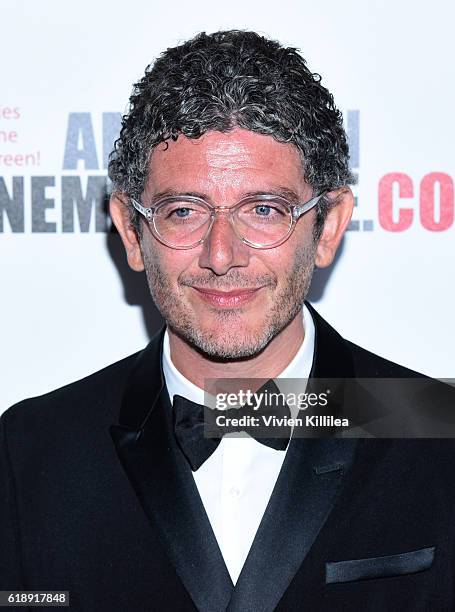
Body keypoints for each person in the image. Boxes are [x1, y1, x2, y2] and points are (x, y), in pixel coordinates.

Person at [1, 30, 454, 611]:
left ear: (331, 225)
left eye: (263, 210)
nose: (222, 255)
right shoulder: (31, 452)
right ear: (131, 231)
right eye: (183, 211)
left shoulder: (438, 433)